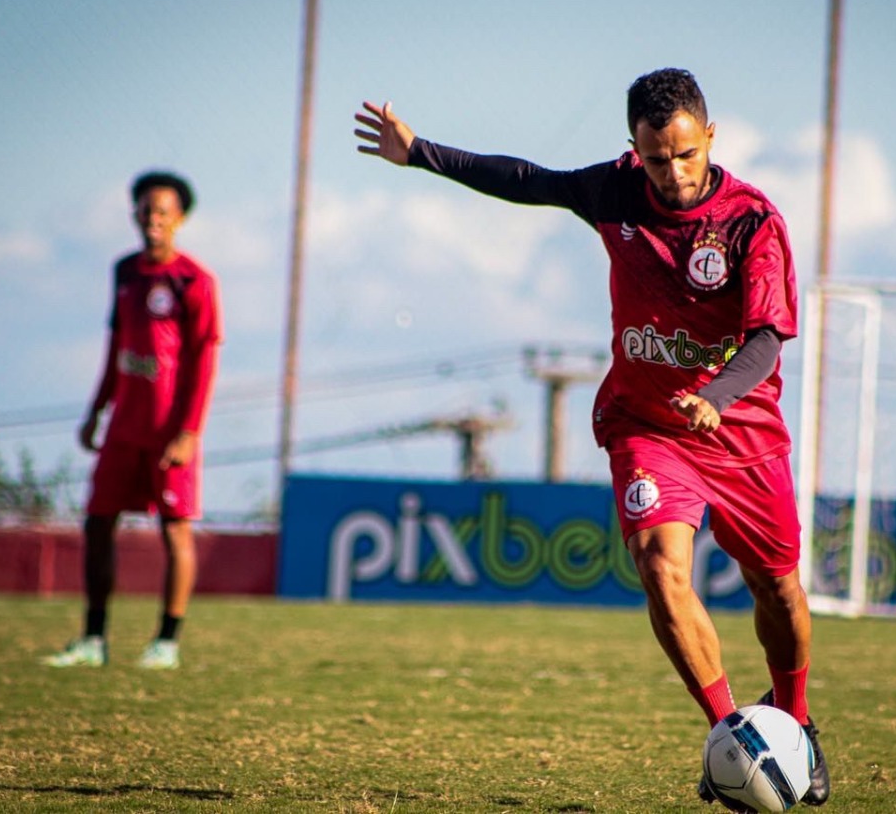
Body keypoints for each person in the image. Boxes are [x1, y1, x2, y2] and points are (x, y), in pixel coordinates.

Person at [353, 68, 830, 806]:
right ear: (634, 150)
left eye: (686, 154)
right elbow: (528, 180)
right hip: (648, 425)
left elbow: (768, 339)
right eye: (656, 158)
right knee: (660, 565)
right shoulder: (616, 190)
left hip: (740, 430)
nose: (673, 173)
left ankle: (796, 722)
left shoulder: (751, 223)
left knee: (779, 588)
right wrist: (421, 153)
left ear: (710, 137)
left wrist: (715, 397)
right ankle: (731, 734)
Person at [43, 170, 222, 671]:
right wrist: (96, 410)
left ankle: (166, 642)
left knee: (175, 531)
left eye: (162, 211)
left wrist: (189, 432)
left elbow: (205, 361)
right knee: (98, 523)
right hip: (124, 427)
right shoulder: (124, 272)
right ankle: (93, 639)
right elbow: (116, 347)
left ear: (179, 218)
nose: (152, 219)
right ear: (135, 215)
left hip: (170, 431)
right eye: (145, 210)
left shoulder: (195, 280)